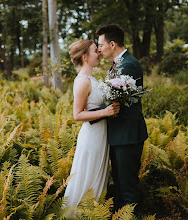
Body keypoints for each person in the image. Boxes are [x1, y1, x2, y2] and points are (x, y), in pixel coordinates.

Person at [93, 24, 148, 215]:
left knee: (128, 187)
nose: (99, 49)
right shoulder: (118, 65)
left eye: (100, 45)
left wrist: (88, 115)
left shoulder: (128, 65)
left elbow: (117, 104)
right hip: (119, 135)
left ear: (112, 44)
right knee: (120, 185)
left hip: (128, 135)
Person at [63, 39, 120, 217]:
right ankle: (80, 214)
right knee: (89, 176)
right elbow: (77, 115)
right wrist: (106, 112)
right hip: (91, 138)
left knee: (99, 176)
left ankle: (94, 213)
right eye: (96, 50)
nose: (99, 53)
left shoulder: (92, 78)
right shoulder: (82, 82)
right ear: (85, 57)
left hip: (101, 135)